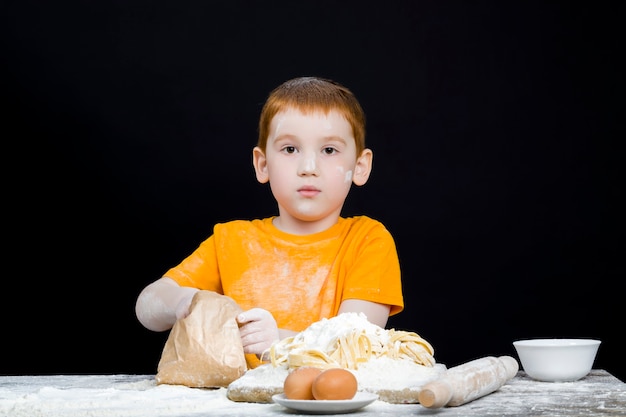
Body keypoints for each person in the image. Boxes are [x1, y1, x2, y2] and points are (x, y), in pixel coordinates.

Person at [135, 76, 404, 368]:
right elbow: (147, 305)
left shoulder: (368, 240)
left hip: (323, 410)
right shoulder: (232, 240)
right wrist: (182, 301)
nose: (308, 168)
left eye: (329, 150)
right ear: (263, 164)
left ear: (360, 167)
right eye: (290, 149)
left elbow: (356, 344)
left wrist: (279, 341)